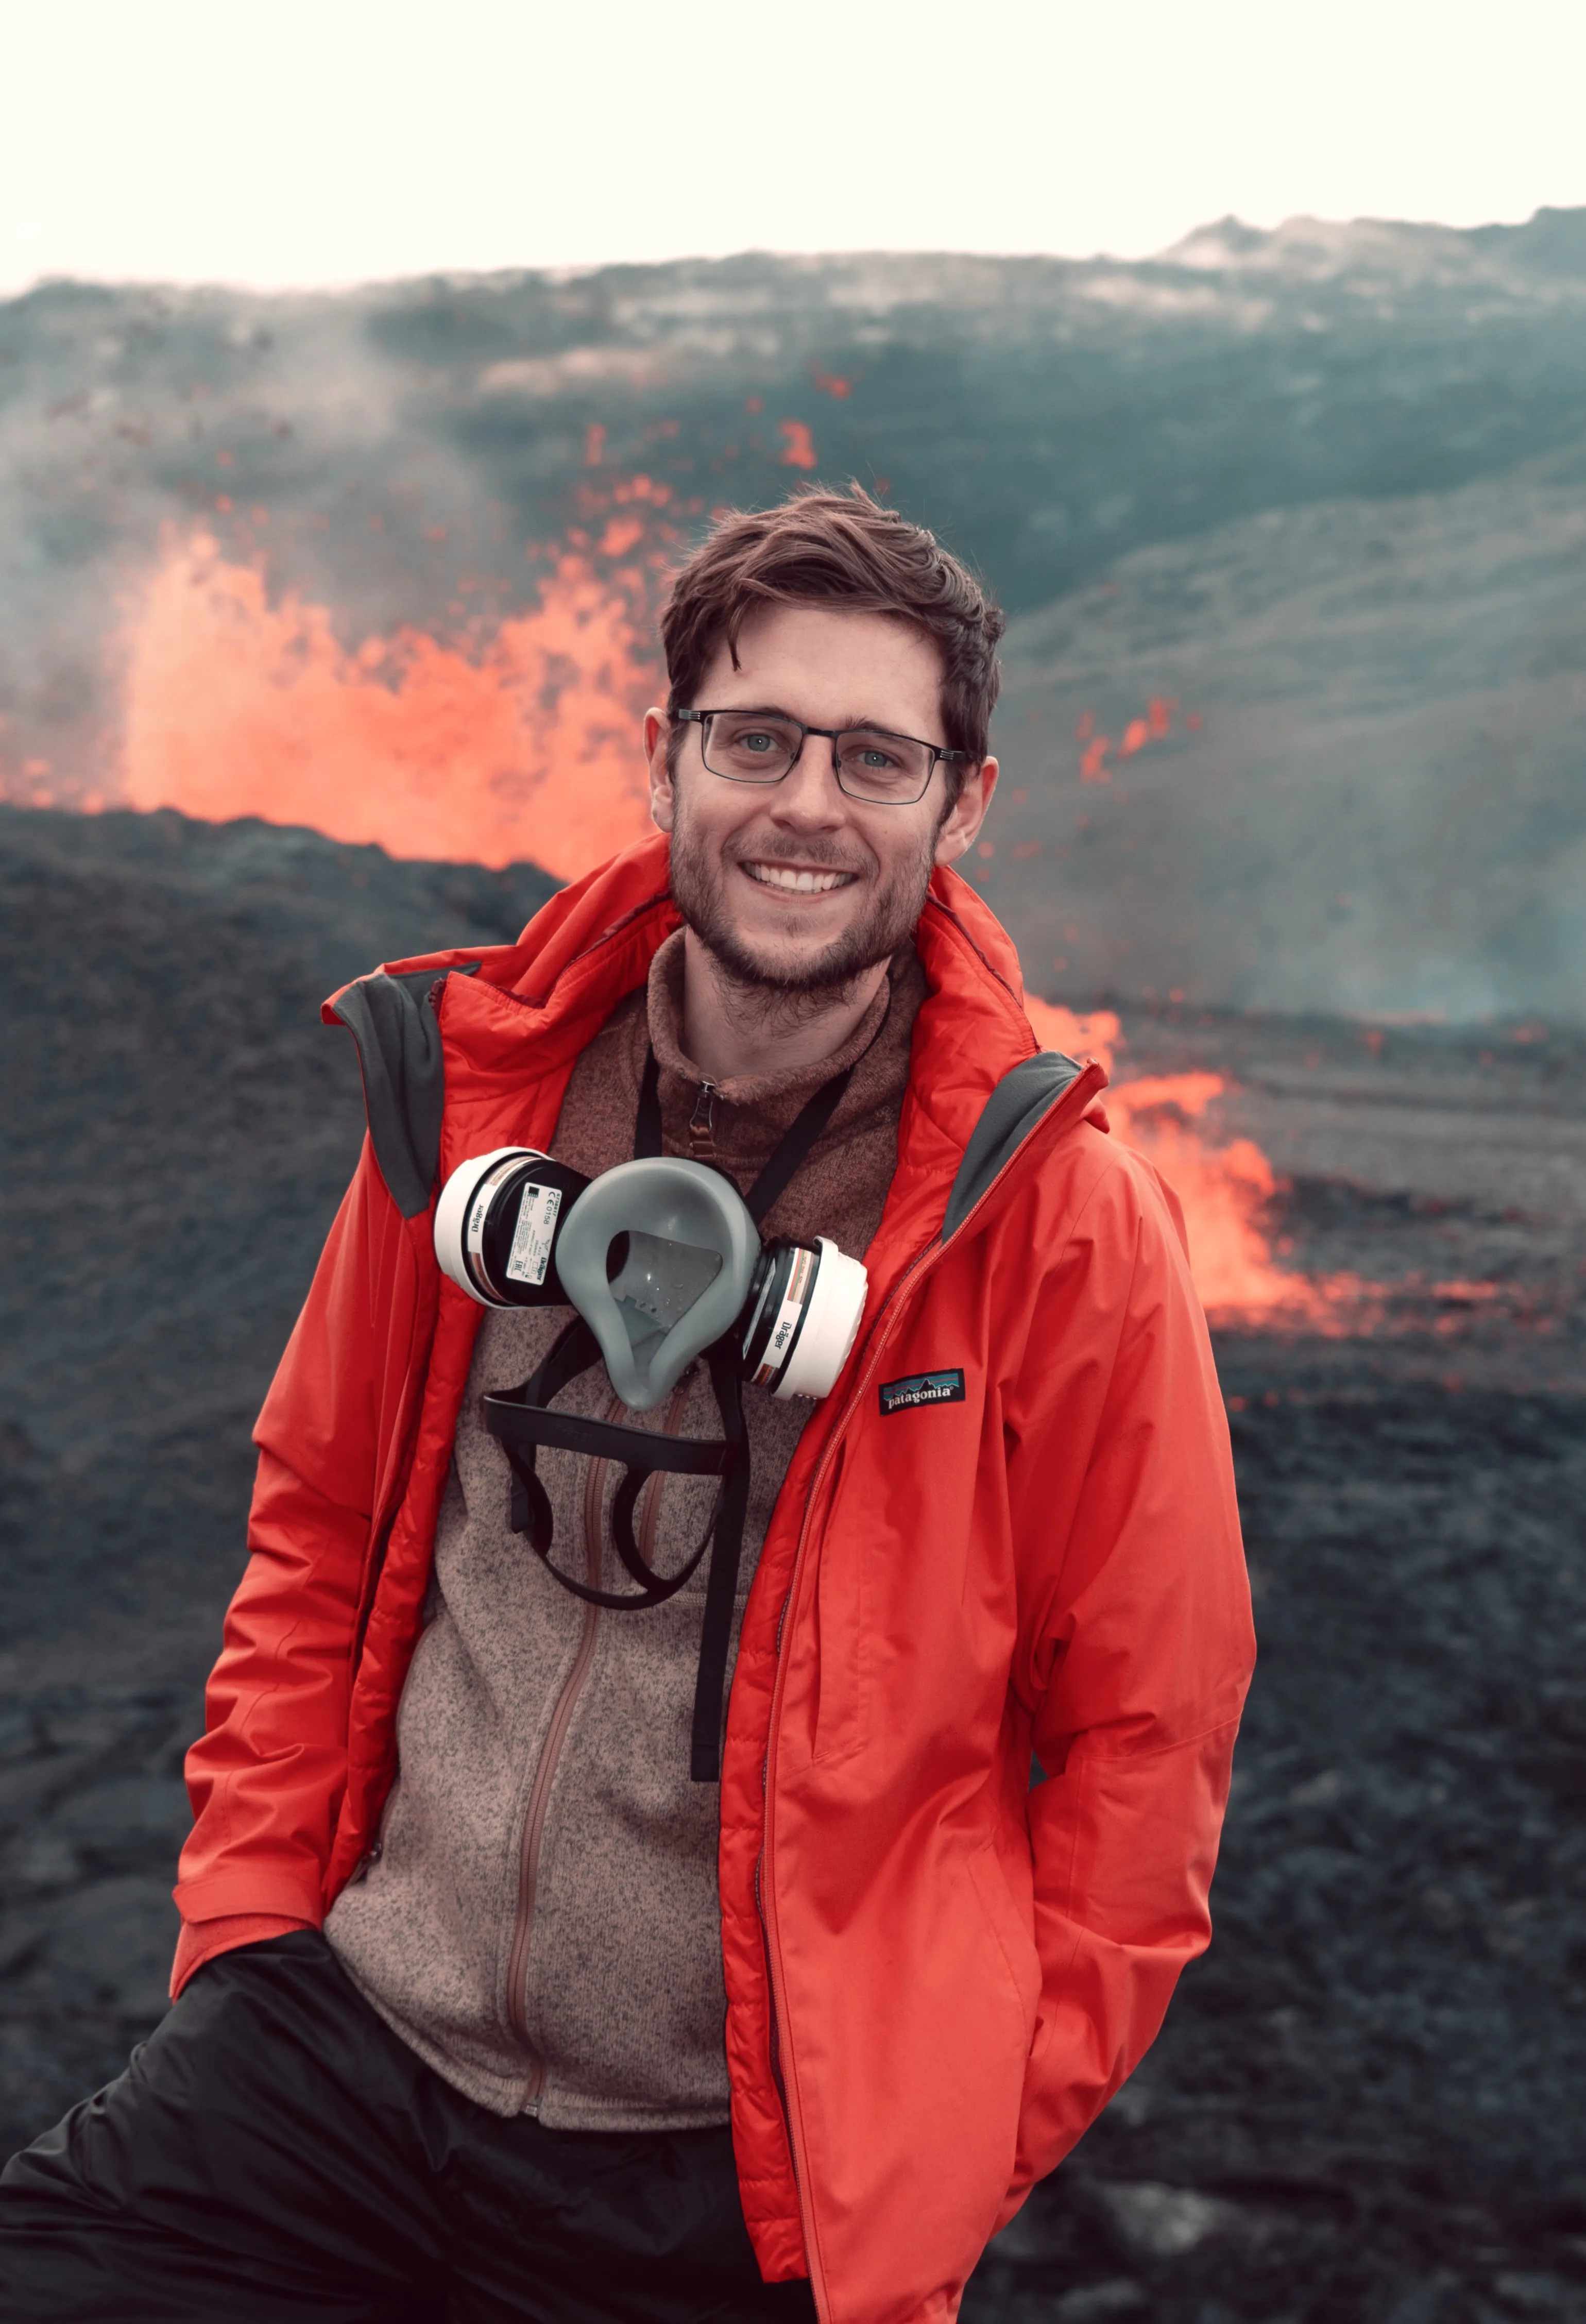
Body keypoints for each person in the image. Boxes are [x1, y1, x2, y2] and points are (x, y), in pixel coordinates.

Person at [0, 485, 1254, 2323]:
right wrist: (250, 1933)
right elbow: (316, 1526)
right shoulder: (475, 1108)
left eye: (875, 756)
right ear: (662, 764)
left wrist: (947, 2129)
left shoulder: (1055, 1222)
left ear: (959, 801)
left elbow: (1152, 1729)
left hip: (722, 2187)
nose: (807, 803)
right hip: (338, 2060)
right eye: (754, 738)